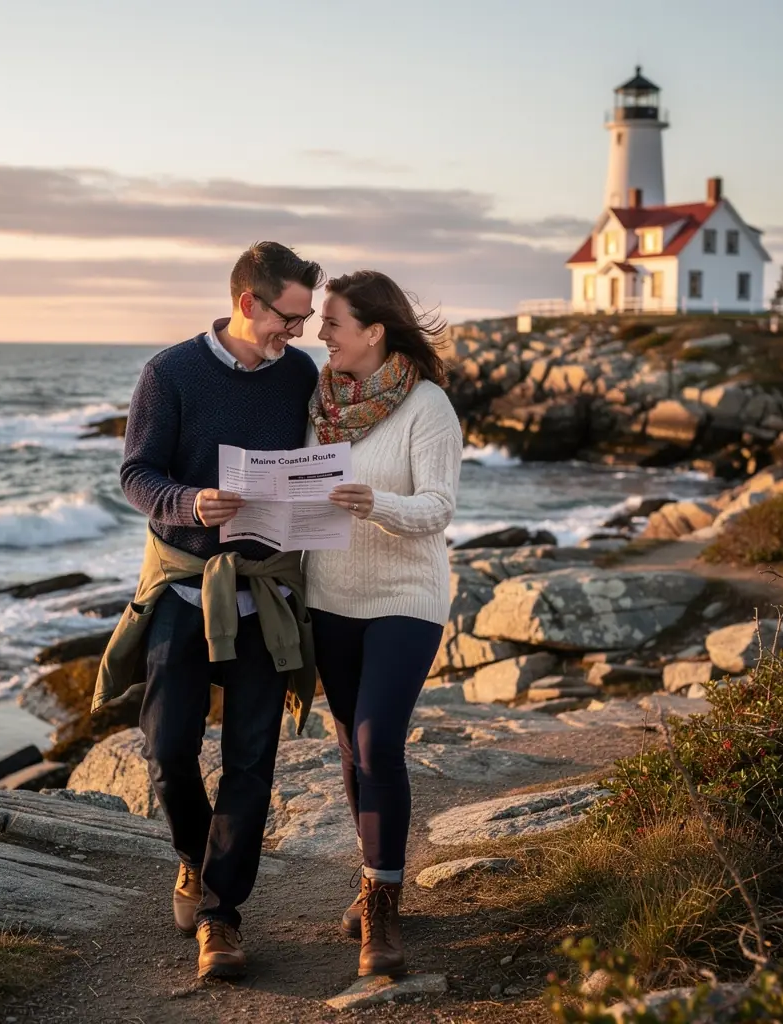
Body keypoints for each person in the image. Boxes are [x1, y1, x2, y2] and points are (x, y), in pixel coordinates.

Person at [91, 241, 325, 981]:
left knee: (252, 761)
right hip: (184, 587)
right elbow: (136, 473)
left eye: (307, 319)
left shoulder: (301, 374)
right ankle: (194, 855)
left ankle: (221, 917)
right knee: (167, 750)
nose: (299, 332)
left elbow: (320, 459)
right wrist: (188, 502)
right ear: (249, 302)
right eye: (290, 317)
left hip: (266, 595)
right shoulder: (170, 372)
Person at [305, 270, 462, 977]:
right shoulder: (319, 403)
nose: (321, 334)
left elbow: (438, 507)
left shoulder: (428, 406)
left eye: (332, 323)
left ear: (373, 331)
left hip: (406, 596)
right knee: (350, 747)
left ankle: (383, 909)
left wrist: (376, 503)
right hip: (329, 596)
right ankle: (376, 874)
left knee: (377, 741)